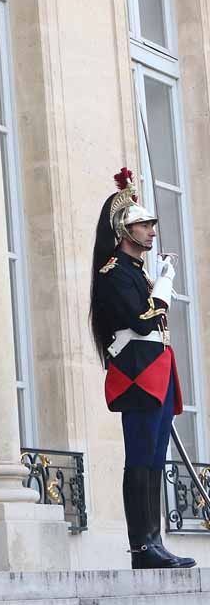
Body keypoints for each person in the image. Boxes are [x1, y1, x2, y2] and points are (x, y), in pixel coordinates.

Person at [89, 167, 194, 570]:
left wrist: (158, 280)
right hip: (137, 376)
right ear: (123, 230)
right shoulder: (115, 273)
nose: (151, 232)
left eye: (150, 225)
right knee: (140, 457)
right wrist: (165, 285)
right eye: (142, 225)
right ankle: (141, 546)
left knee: (154, 458)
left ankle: (155, 540)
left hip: (156, 371)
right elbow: (143, 321)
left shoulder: (137, 272)